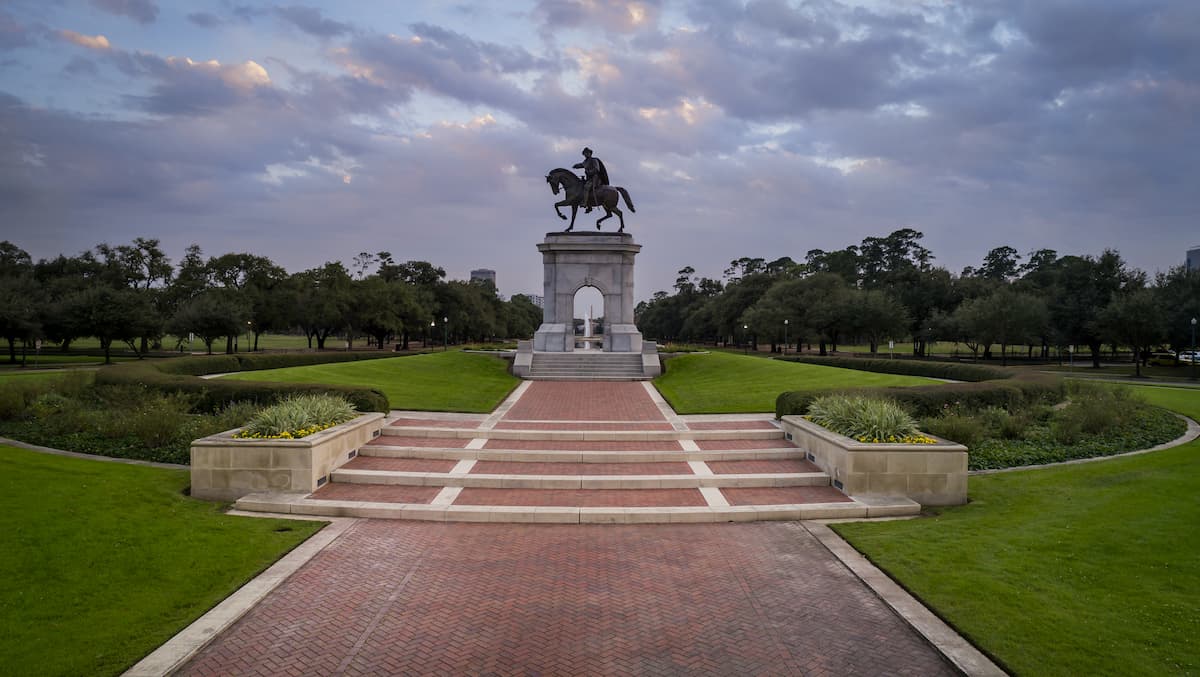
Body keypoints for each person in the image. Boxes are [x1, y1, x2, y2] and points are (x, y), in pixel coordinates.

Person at [573, 147, 609, 213]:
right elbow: (582, 165)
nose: (586, 154)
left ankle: (584, 203)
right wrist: (576, 166)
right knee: (580, 186)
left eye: (587, 153)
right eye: (585, 153)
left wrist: (589, 172)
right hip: (589, 178)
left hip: (595, 178)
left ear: (590, 153)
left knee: (586, 187)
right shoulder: (585, 161)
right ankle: (589, 206)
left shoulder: (594, 160)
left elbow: (597, 169)